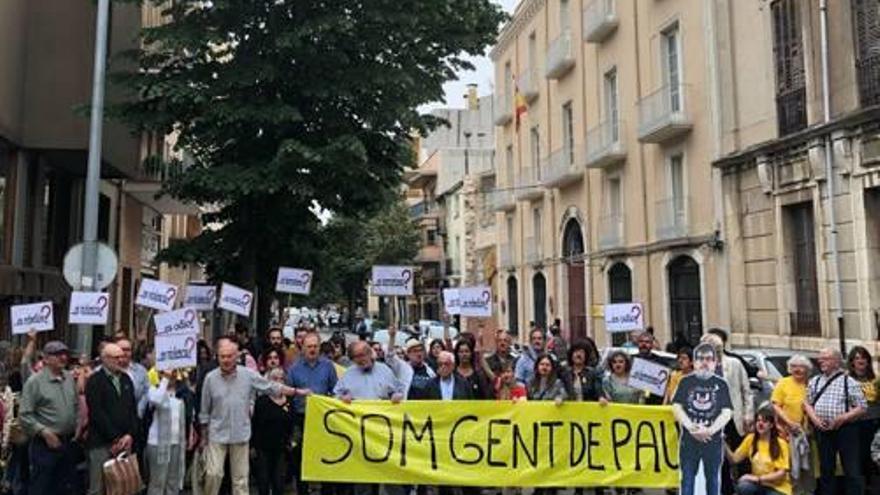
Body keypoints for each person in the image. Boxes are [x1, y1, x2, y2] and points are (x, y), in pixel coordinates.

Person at [199, 337, 310, 495]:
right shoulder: (210, 378)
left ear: (236, 356)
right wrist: (203, 437)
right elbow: (204, 410)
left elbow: (271, 387)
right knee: (213, 474)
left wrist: (296, 391)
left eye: (229, 356)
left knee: (241, 480)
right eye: (222, 356)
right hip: (217, 433)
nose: (225, 360)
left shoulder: (248, 375)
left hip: (240, 434)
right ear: (217, 356)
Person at [334, 341, 405, 495]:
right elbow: (335, 396)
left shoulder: (385, 370)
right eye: (357, 357)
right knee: (362, 479)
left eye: (364, 354)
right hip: (359, 435)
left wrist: (395, 396)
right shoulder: (348, 374)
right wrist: (342, 398)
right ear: (352, 359)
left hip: (384, 433)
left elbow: (397, 391)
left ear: (370, 353)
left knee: (389, 475)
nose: (361, 359)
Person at [803, 347, 867, 495]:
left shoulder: (848, 381)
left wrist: (843, 418)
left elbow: (862, 407)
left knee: (852, 469)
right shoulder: (815, 381)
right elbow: (807, 403)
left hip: (846, 430)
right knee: (826, 469)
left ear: (837, 361)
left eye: (825, 358)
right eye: (820, 358)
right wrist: (815, 420)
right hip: (823, 430)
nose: (821, 361)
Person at [671, 342, 733, 495]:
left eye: (708, 359)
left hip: (713, 442)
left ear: (715, 362)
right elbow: (676, 407)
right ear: (694, 362)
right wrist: (691, 427)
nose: (704, 363)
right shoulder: (685, 382)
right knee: (687, 478)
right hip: (688, 441)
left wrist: (710, 431)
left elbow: (727, 412)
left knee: (712, 479)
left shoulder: (721, 384)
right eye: (700, 359)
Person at [19, 341, 79, 494]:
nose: (63, 357)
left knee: (65, 487)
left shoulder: (69, 378)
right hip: (45, 445)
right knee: (42, 487)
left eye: (65, 354)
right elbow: (25, 415)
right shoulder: (35, 382)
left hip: (68, 442)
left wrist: (77, 426)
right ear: (45, 359)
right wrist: (44, 432)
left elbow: (76, 404)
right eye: (57, 354)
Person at [701, 333, 753, 495]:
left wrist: (748, 414)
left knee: (741, 455)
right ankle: (725, 489)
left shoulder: (734, 363)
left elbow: (746, 391)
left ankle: (746, 488)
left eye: (715, 348)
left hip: (734, 416)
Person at [287, 332, 339, 495]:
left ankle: (326, 491)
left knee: (324, 457)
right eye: (309, 346)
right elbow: (289, 393)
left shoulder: (328, 366)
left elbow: (335, 390)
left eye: (315, 346)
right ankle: (302, 491)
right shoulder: (294, 368)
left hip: (322, 419)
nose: (312, 349)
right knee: (300, 458)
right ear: (302, 348)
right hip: (301, 418)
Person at [86, 342, 140, 495]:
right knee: (98, 488)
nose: (121, 360)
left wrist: (130, 434)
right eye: (116, 357)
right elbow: (97, 413)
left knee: (123, 486)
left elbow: (132, 411)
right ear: (105, 359)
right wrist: (115, 438)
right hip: (101, 443)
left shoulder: (126, 380)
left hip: (125, 443)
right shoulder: (95, 381)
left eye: (122, 357)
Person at [724, 406, 792, 495]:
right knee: (743, 487)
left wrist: (757, 479)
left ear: (771, 425)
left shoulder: (781, 443)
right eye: (758, 421)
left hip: (778, 488)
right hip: (758, 485)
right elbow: (734, 459)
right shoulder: (750, 439)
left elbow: (781, 474)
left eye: (764, 421)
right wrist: (722, 441)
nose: (760, 424)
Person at [146, 369, 193, 495]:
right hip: (157, 443)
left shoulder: (183, 392)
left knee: (173, 482)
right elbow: (157, 401)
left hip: (177, 442)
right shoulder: (154, 390)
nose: (171, 376)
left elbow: (189, 415)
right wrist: (164, 381)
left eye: (173, 373)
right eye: (165, 373)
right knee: (158, 482)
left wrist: (190, 435)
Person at [252, 368, 296, 495]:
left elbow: (292, 424)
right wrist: (253, 447)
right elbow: (255, 424)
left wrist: (292, 441)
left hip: (281, 448)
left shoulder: (289, 402)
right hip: (263, 448)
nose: (278, 382)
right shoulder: (261, 402)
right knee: (263, 482)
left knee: (279, 483)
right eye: (274, 379)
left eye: (281, 379)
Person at [385, 326, 435, 400]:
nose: (418, 354)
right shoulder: (402, 367)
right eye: (415, 351)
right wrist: (392, 337)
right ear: (408, 354)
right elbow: (390, 356)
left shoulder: (430, 371)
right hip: (407, 408)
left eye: (420, 350)